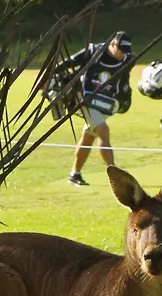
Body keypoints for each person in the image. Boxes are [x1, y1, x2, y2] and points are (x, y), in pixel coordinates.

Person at [57, 31, 135, 186]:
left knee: (88, 136)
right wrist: (49, 77)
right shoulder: (93, 52)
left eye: (126, 51)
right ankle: (116, 177)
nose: (123, 54)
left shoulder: (128, 60)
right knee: (103, 131)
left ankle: (75, 174)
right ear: (112, 44)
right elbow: (68, 63)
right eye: (121, 49)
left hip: (103, 103)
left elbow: (124, 81)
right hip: (83, 99)